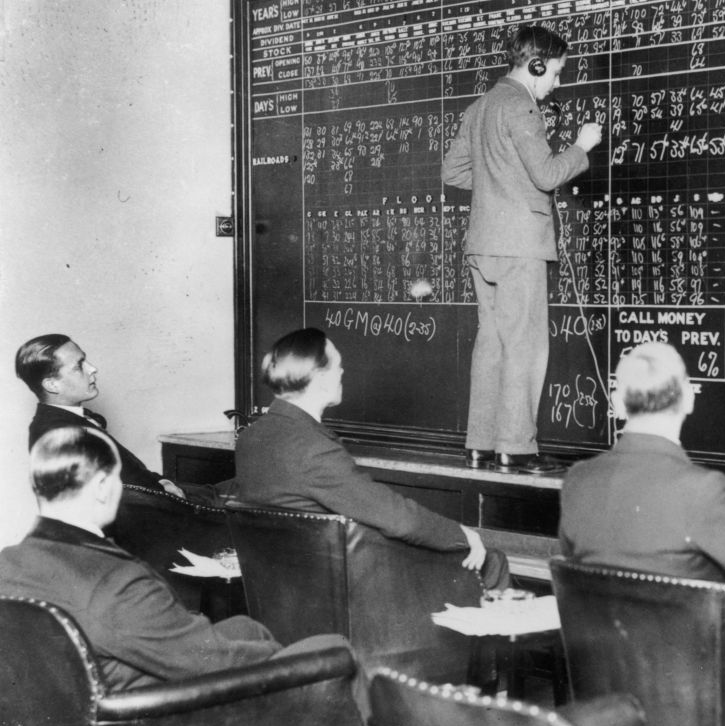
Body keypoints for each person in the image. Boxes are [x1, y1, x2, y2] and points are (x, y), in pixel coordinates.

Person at [0, 426, 346, 692]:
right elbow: (210, 662)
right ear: (104, 486)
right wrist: (277, 657)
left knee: (247, 628)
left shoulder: (10, 563)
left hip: (80, 711)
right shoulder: (117, 583)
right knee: (333, 650)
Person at [442, 25, 603, 474]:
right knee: (525, 345)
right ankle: (516, 447)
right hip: (520, 246)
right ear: (536, 65)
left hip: (483, 244)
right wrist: (582, 146)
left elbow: (453, 172)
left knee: (491, 342)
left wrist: (498, 185)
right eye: (556, 71)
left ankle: (480, 445)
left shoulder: (480, 106)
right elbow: (549, 175)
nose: (558, 82)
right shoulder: (523, 107)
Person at [234, 327, 509, 590]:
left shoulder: (252, 438)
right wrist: (463, 534)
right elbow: (402, 521)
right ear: (319, 379)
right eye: (336, 366)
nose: (342, 372)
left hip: (290, 585)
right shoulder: (312, 449)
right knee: (491, 560)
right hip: (348, 588)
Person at [559, 342, 725, 607]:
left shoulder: (577, 481)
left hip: (599, 648)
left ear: (617, 403)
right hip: (690, 648)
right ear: (689, 397)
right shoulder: (703, 491)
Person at [15, 334, 185, 497]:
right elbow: (123, 496)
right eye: (79, 366)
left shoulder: (65, 421)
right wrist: (161, 488)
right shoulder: (61, 434)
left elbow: (128, 473)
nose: (92, 368)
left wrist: (161, 481)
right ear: (52, 385)